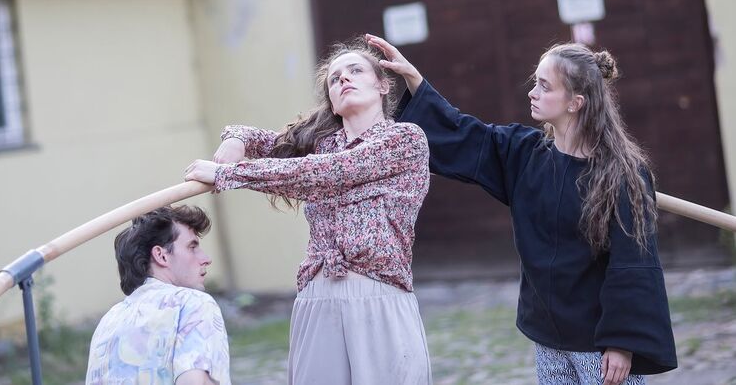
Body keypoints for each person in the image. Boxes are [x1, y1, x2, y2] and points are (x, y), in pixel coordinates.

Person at [365, 34, 677, 385]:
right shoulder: (525, 154)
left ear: (575, 102)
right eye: (535, 83)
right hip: (549, 339)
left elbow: (633, 263)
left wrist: (622, 342)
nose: (533, 92)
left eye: (545, 86)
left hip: (599, 346)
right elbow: (465, 134)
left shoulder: (623, 174)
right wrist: (415, 81)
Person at [183, 38, 433, 385]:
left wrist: (230, 175)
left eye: (355, 70)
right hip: (318, 296)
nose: (344, 79)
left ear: (382, 84)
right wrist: (236, 137)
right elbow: (269, 142)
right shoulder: (319, 145)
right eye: (334, 78)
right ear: (331, 100)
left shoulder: (406, 140)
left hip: (378, 295)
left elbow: (331, 172)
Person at [86, 205, 230, 385]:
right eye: (192, 247)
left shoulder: (108, 322)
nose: (206, 258)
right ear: (161, 256)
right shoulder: (193, 304)